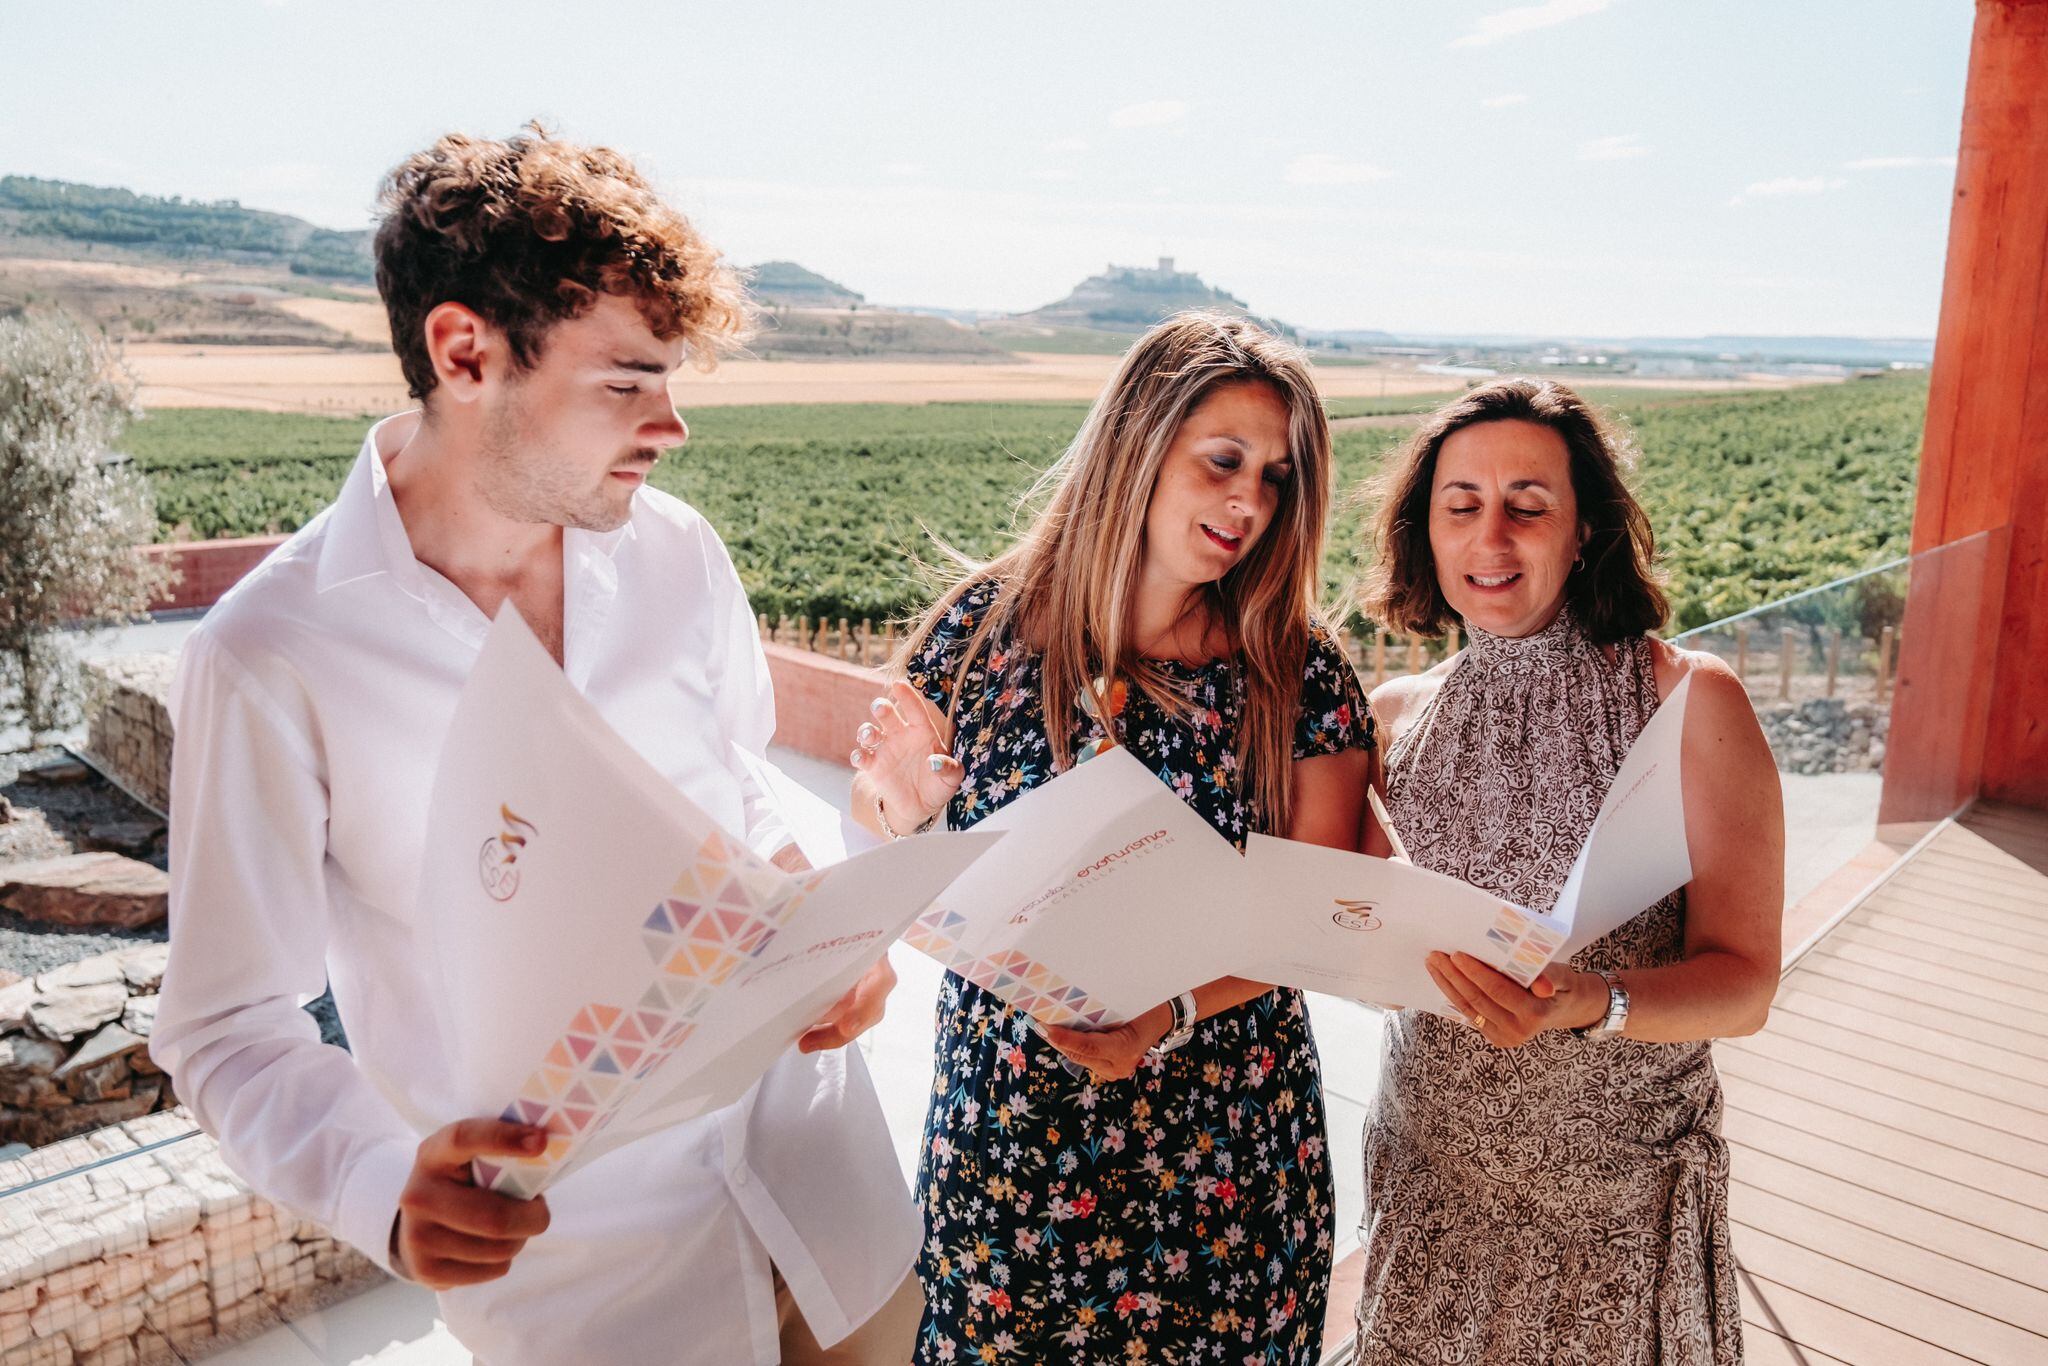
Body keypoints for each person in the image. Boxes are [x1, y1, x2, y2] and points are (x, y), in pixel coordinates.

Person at [151, 125, 921, 1366]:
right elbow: (227, 1023)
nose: (670, 428)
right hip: (596, 1295)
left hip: (837, 1211)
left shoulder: (679, 555)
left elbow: (734, 778)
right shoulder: (269, 654)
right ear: (465, 351)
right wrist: (379, 1185)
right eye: (625, 382)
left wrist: (826, 937)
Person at [850, 312, 1376, 1365]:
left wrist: (1167, 1013)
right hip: (1006, 1152)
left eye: (1274, 479)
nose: (1247, 503)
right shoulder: (978, 631)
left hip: (1221, 1157)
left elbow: (1324, 911)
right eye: (1222, 461)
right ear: (1136, 442)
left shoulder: (1295, 673)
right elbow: (891, 852)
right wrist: (896, 813)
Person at [1350, 378, 1783, 1365]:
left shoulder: (1687, 700)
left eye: (1526, 505)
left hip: (1611, 1216)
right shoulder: (1391, 716)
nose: (1488, 537)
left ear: (1581, 529)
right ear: (1424, 531)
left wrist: (1583, 1000)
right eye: (1459, 505)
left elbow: (1745, 981)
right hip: (1432, 1190)